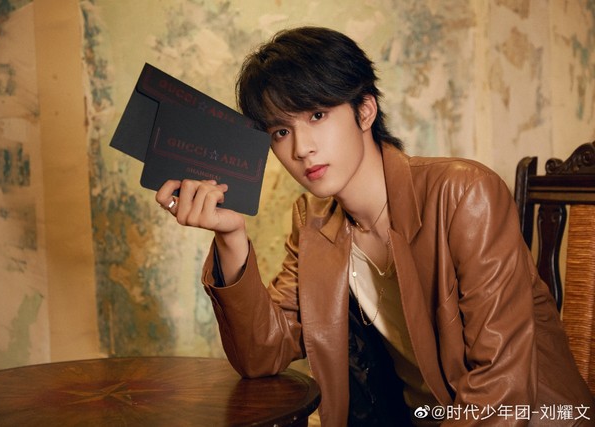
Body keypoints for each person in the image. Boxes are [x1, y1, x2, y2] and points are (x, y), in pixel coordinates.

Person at [156, 26, 594, 426]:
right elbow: (261, 356)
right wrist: (230, 237)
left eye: (317, 115)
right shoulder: (313, 222)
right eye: (280, 132)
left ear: (365, 111)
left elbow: (500, 386)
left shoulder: (464, 194)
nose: (302, 148)